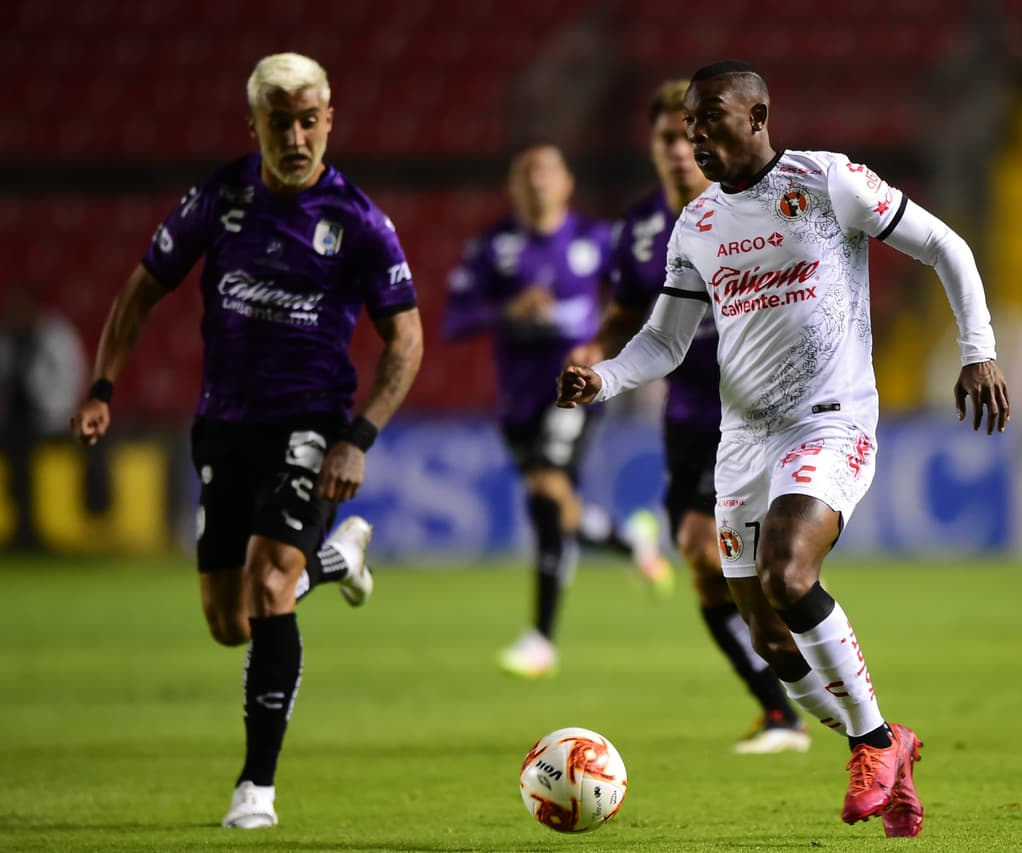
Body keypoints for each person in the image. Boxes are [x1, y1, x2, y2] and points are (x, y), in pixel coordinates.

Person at [557, 61, 1011, 837]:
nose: (696, 135)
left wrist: (979, 349)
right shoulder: (696, 225)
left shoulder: (829, 181)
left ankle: (871, 742)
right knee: (768, 634)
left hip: (828, 421)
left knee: (787, 572)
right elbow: (664, 344)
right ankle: (888, 741)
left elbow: (947, 246)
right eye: (689, 124)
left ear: (758, 113)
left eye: (710, 118)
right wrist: (599, 379)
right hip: (743, 441)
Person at [69, 53, 424, 830]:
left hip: (310, 423)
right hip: (223, 425)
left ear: (329, 119)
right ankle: (337, 561)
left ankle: (254, 789)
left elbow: (405, 340)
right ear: (254, 123)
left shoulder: (358, 220)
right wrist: (102, 386)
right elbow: (138, 292)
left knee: (269, 589)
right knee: (229, 621)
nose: (296, 137)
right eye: (279, 122)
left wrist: (357, 436)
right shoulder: (219, 199)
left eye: (308, 121)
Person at [568, 80, 808, 754]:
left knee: (718, 553)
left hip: (758, 412)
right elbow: (626, 310)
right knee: (703, 565)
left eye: (687, 134)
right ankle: (779, 708)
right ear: (652, 147)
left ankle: (796, 692)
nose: (679, 149)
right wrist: (595, 351)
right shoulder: (641, 229)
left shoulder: (743, 209)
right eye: (666, 138)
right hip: (689, 416)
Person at [443, 141, 674, 679]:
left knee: (547, 490)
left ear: (567, 183)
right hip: (518, 400)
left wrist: (612, 354)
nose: (538, 182)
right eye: (527, 174)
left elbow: (640, 300)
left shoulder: (596, 241)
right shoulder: (492, 248)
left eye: (548, 172)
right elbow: (454, 321)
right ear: (513, 188)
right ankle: (632, 542)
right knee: (560, 507)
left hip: (574, 390)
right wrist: (506, 310)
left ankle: (541, 638)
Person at [0, 291, 87, 549]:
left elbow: (73, 378)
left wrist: (53, 413)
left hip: (54, 420)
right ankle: (25, 528)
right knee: (17, 447)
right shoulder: (5, 340)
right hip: (11, 423)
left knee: (95, 444)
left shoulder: (55, 337)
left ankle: (93, 512)